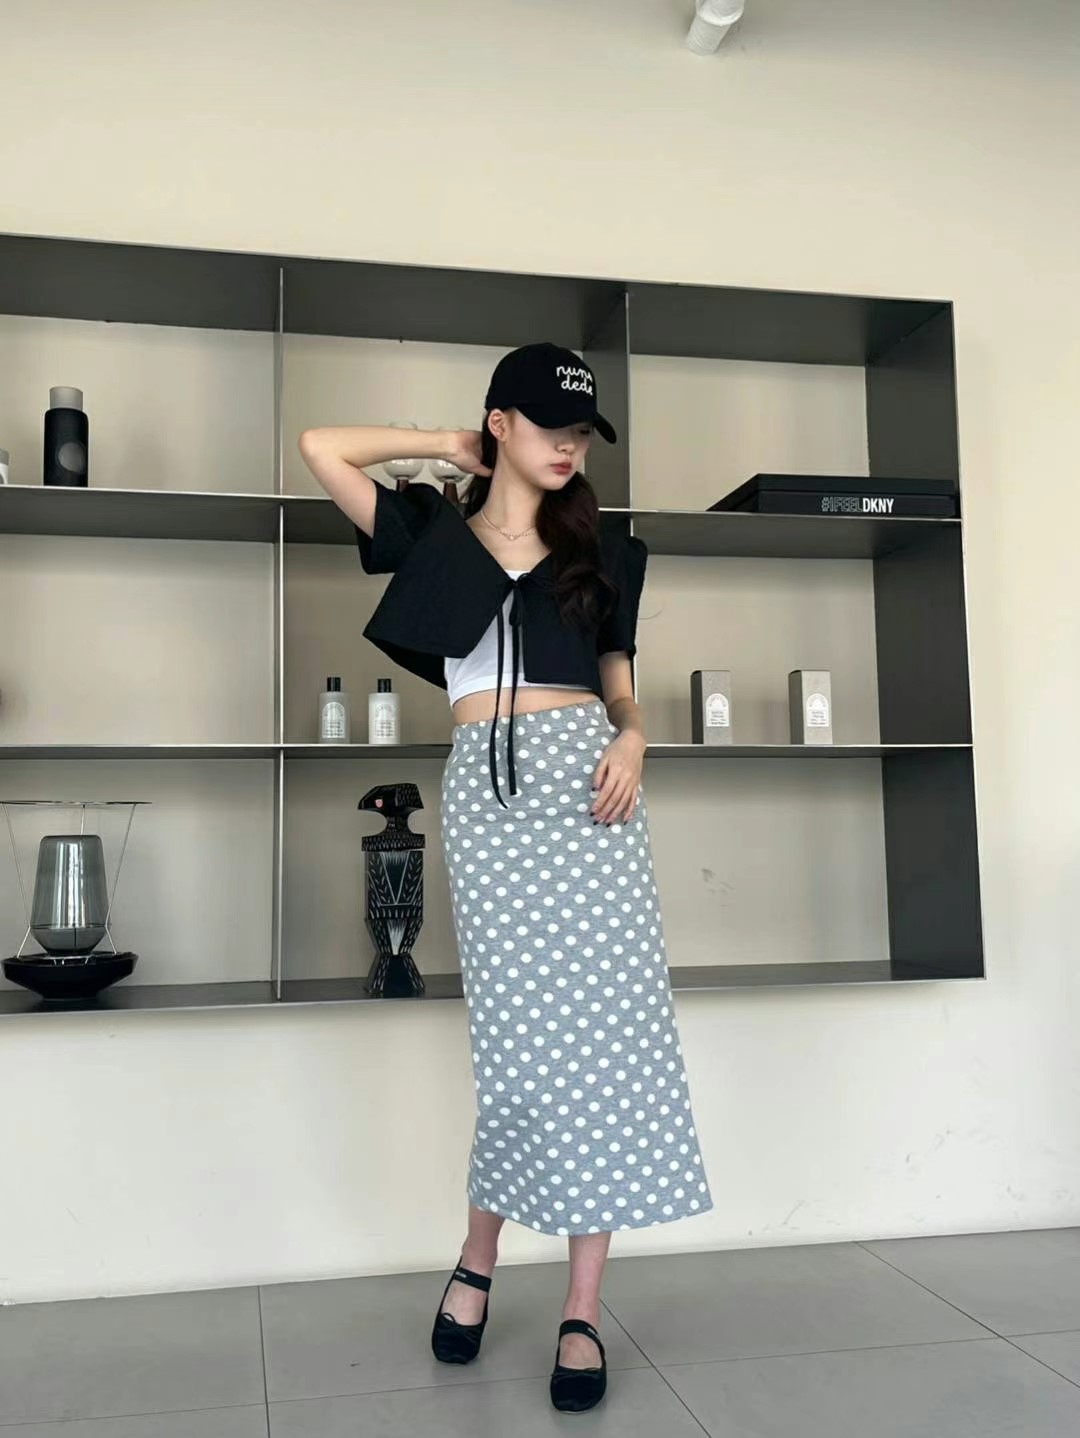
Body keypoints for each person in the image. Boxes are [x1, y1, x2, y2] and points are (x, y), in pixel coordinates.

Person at [298, 341, 714, 1413]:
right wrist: (444, 446)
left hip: (592, 791)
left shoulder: (602, 550)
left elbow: (617, 673)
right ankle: (478, 1256)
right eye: (549, 424)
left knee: (609, 1050)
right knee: (519, 1053)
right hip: (489, 795)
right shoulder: (434, 531)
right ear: (501, 423)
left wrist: (635, 736)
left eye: (582, 432)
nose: (569, 445)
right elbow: (321, 447)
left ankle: (581, 1308)